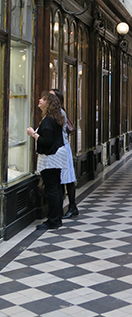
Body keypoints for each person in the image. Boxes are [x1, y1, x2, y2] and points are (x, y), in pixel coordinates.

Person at [27, 91, 67, 230]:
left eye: (43, 99)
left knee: (52, 189)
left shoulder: (48, 120)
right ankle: (56, 219)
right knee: (55, 187)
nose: (39, 100)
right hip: (56, 156)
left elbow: (47, 141)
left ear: (48, 103)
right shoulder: (53, 118)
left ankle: (53, 221)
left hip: (51, 157)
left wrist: (34, 134)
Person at [51, 89, 79, 219]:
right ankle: (62, 207)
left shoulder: (59, 113)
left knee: (67, 178)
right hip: (60, 148)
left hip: (62, 148)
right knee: (63, 179)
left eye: (51, 96)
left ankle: (72, 206)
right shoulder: (56, 112)